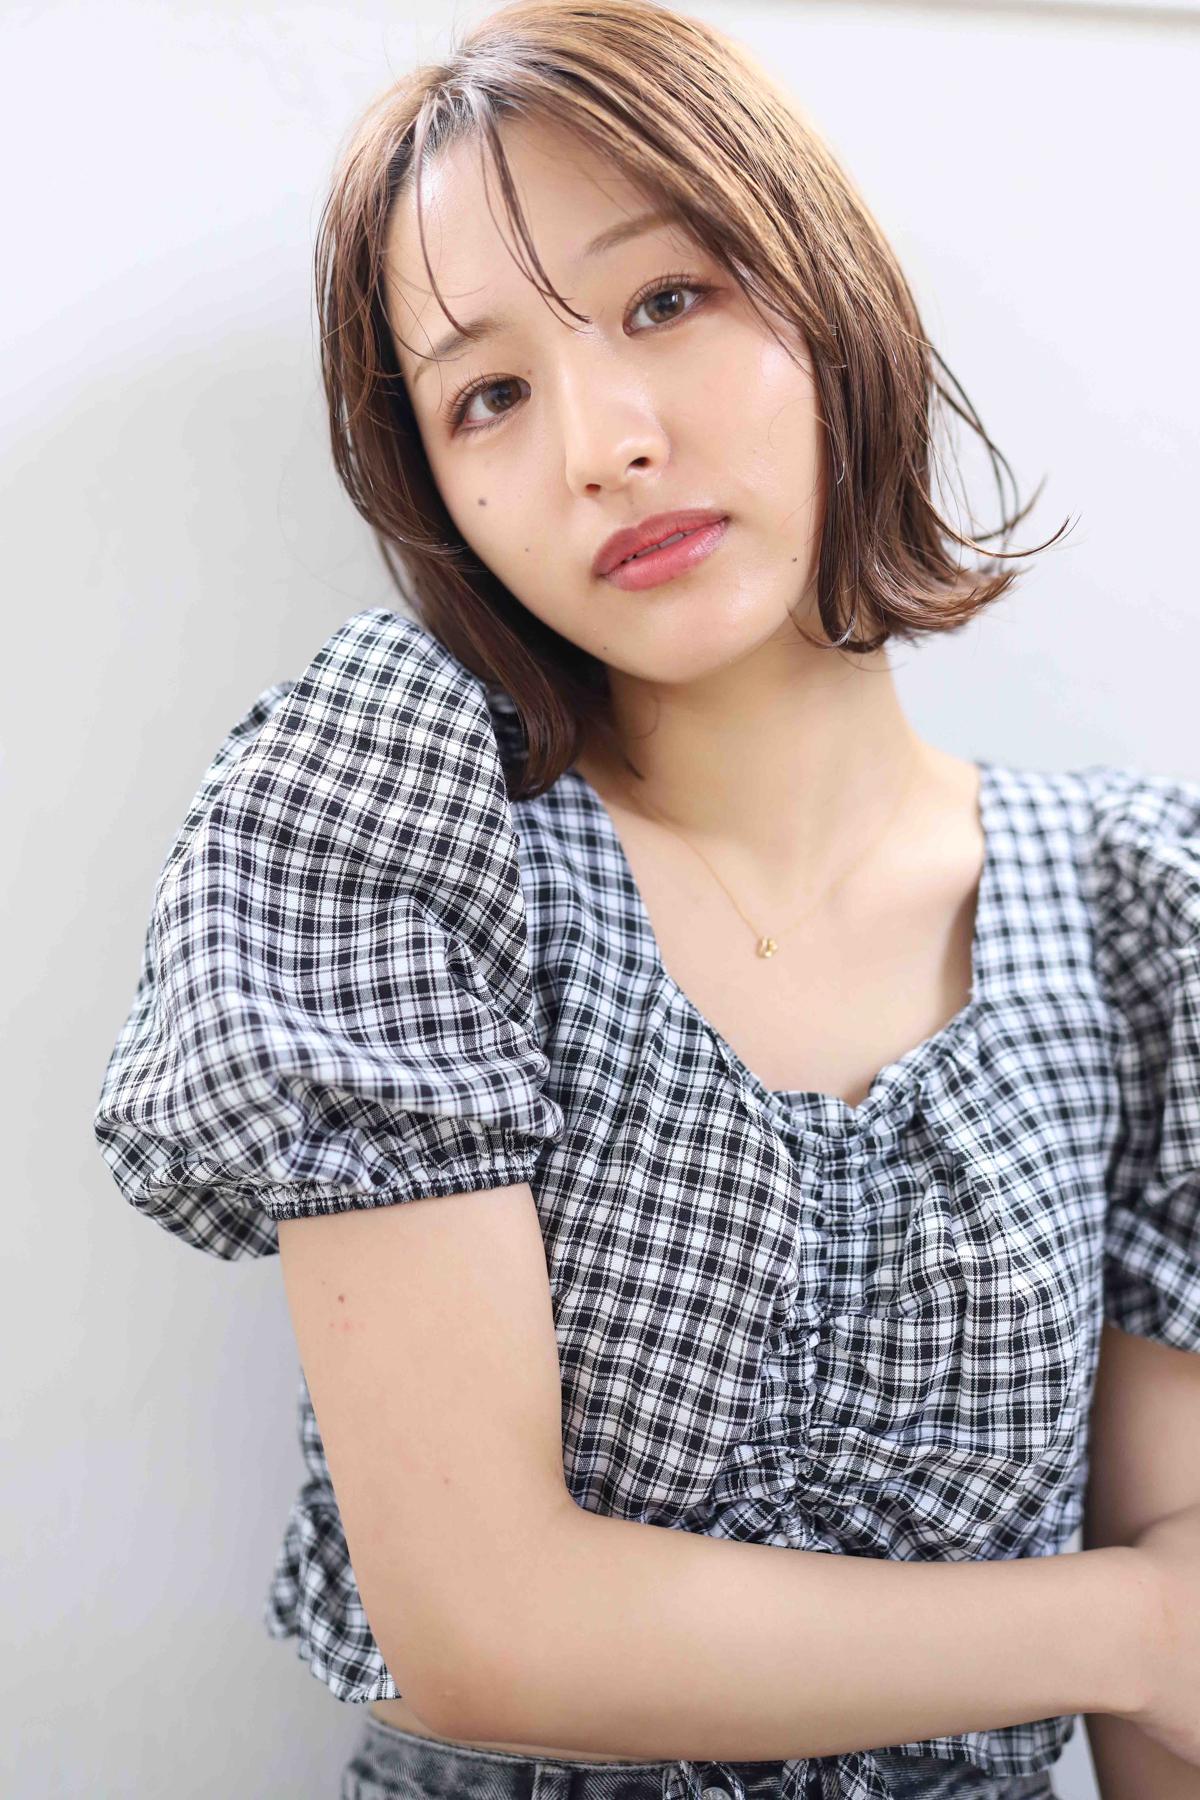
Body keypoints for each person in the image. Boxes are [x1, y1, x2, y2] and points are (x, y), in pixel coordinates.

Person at [91, 3, 1200, 1797]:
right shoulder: (397, 833)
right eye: (490, 395)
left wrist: (1155, 1640)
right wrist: (1124, 1628)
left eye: (669, 300)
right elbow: (488, 1627)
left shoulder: (1139, 917)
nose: (600, 443)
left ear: (828, 296)